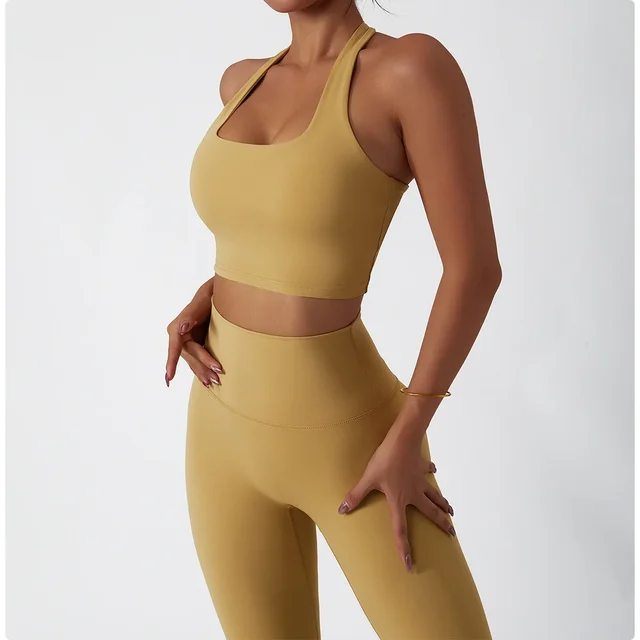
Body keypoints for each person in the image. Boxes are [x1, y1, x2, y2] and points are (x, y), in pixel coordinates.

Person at [166, 1, 500, 638]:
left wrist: (409, 432)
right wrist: (211, 294)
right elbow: (269, 234)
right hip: (219, 432)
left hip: (357, 446)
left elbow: (474, 268)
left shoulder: (408, 70)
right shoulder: (241, 82)